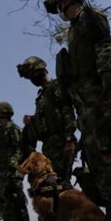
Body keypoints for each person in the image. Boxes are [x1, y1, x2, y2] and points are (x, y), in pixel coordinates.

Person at [44, 0, 111, 221]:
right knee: (97, 160)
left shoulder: (89, 17)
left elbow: (106, 47)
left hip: (99, 100)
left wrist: (108, 87)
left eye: (59, 3)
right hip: (84, 106)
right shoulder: (74, 28)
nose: (59, 8)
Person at [17, 56, 77, 184]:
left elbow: (67, 113)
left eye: (32, 75)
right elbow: (48, 118)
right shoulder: (42, 96)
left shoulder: (56, 87)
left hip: (61, 143)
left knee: (61, 184)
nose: (32, 79)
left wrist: (69, 140)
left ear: (41, 71)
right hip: (48, 146)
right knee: (50, 185)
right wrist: (32, 120)